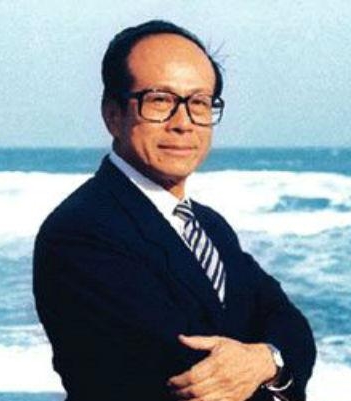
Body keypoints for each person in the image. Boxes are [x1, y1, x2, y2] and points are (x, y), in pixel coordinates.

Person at [33, 20, 316, 401]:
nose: (183, 123)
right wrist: (270, 366)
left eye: (199, 103)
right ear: (113, 114)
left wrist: (267, 359)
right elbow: (187, 376)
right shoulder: (80, 232)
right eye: (160, 100)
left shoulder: (209, 226)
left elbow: (291, 325)